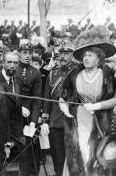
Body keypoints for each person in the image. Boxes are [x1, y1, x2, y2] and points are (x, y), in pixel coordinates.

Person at [59, 26, 116, 176]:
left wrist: (97, 105)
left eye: (90, 55)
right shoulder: (74, 74)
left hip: (100, 122)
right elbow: (62, 98)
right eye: (85, 55)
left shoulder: (107, 74)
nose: (86, 58)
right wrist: (66, 111)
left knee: (96, 154)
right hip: (78, 120)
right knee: (79, 154)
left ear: (98, 58)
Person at [42, 41, 77, 176]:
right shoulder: (52, 73)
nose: (62, 56)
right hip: (55, 121)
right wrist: (45, 119)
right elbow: (47, 99)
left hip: (72, 120)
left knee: (72, 153)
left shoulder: (77, 72)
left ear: (72, 55)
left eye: (66, 54)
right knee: (57, 154)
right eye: (61, 53)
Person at [15, 39, 42, 176]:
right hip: (14, 115)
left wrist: (33, 121)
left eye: (29, 53)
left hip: (30, 117)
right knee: (17, 153)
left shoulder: (35, 73)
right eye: (24, 52)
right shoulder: (13, 69)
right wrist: (19, 108)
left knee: (31, 152)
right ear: (19, 53)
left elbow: (37, 99)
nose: (27, 55)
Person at [0, 52, 24, 165]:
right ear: (3, 63)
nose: (12, 65)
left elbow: (17, 110)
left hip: (16, 137)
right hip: (1, 137)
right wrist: (6, 143)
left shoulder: (17, 81)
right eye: (9, 62)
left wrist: (20, 135)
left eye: (15, 63)